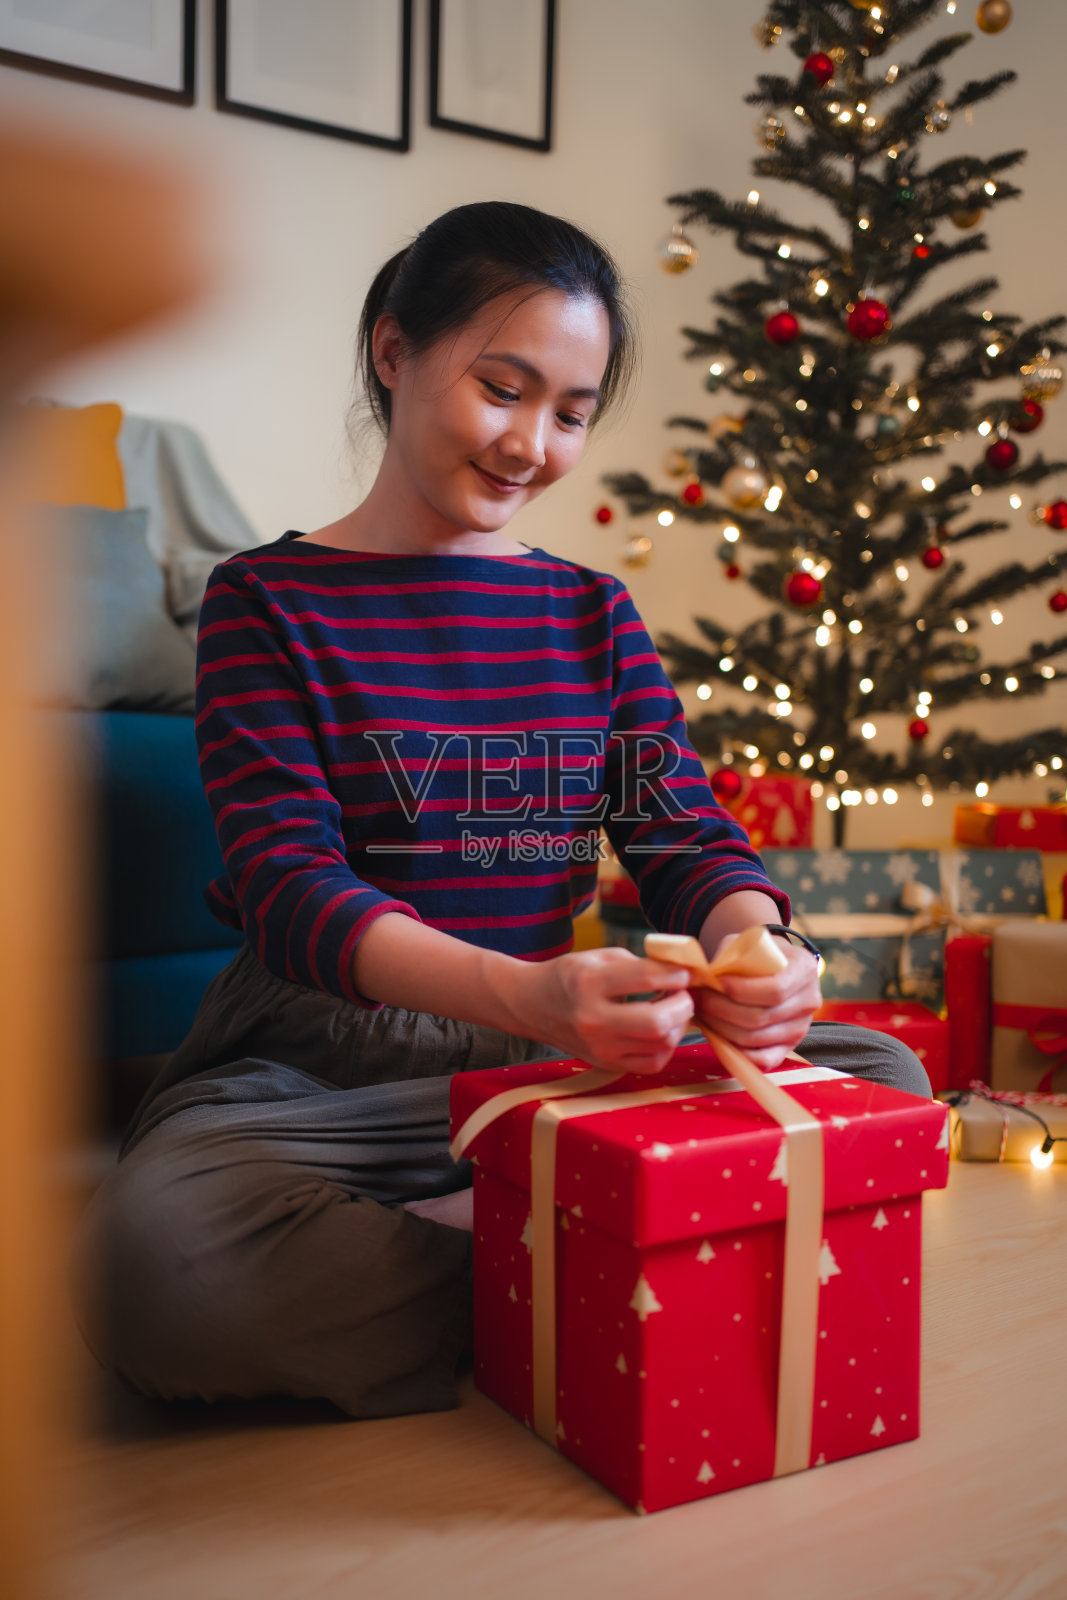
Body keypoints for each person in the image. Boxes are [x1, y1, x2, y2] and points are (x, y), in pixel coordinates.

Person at [72, 201, 929, 1422]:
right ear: (392, 351)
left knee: (883, 1079)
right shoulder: (264, 600)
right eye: (501, 388)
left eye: (570, 413)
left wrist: (767, 950)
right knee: (151, 1267)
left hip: (556, 1058)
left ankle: (534, 1244)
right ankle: (612, 1263)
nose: (531, 442)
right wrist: (525, 992)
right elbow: (289, 884)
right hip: (328, 1067)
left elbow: (684, 839)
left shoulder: (591, 615)